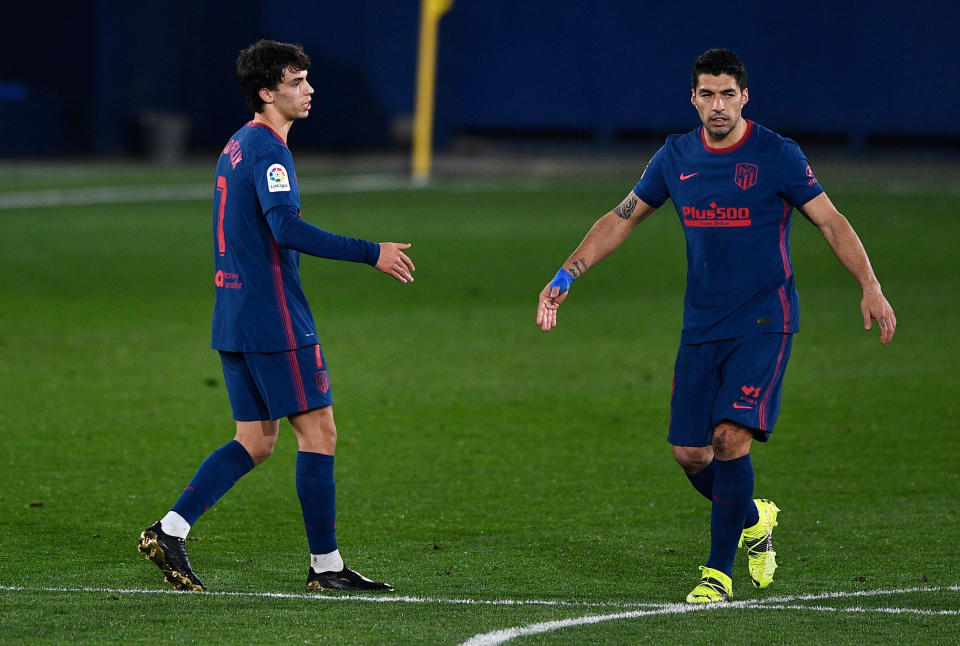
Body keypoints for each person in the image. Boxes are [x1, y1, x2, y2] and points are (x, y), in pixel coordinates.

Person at [536, 48, 896, 603]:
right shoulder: (676, 156)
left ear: (745, 96)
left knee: (730, 439)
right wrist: (566, 274)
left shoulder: (776, 154)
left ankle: (717, 574)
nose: (718, 105)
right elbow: (621, 217)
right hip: (702, 324)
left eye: (728, 94)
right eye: (707, 94)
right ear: (693, 98)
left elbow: (831, 220)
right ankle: (755, 516)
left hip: (764, 319)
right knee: (691, 454)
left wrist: (869, 285)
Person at [138, 39, 415, 592]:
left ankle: (169, 531)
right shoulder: (267, 150)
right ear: (267, 93)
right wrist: (370, 252)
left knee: (256, 440)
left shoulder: (236, 145)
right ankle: (326, 568)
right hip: (274, 318)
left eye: (307, 78)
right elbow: (284, 228)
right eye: (295, 81)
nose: (309, 89)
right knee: (319, 432)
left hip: (235, 313)